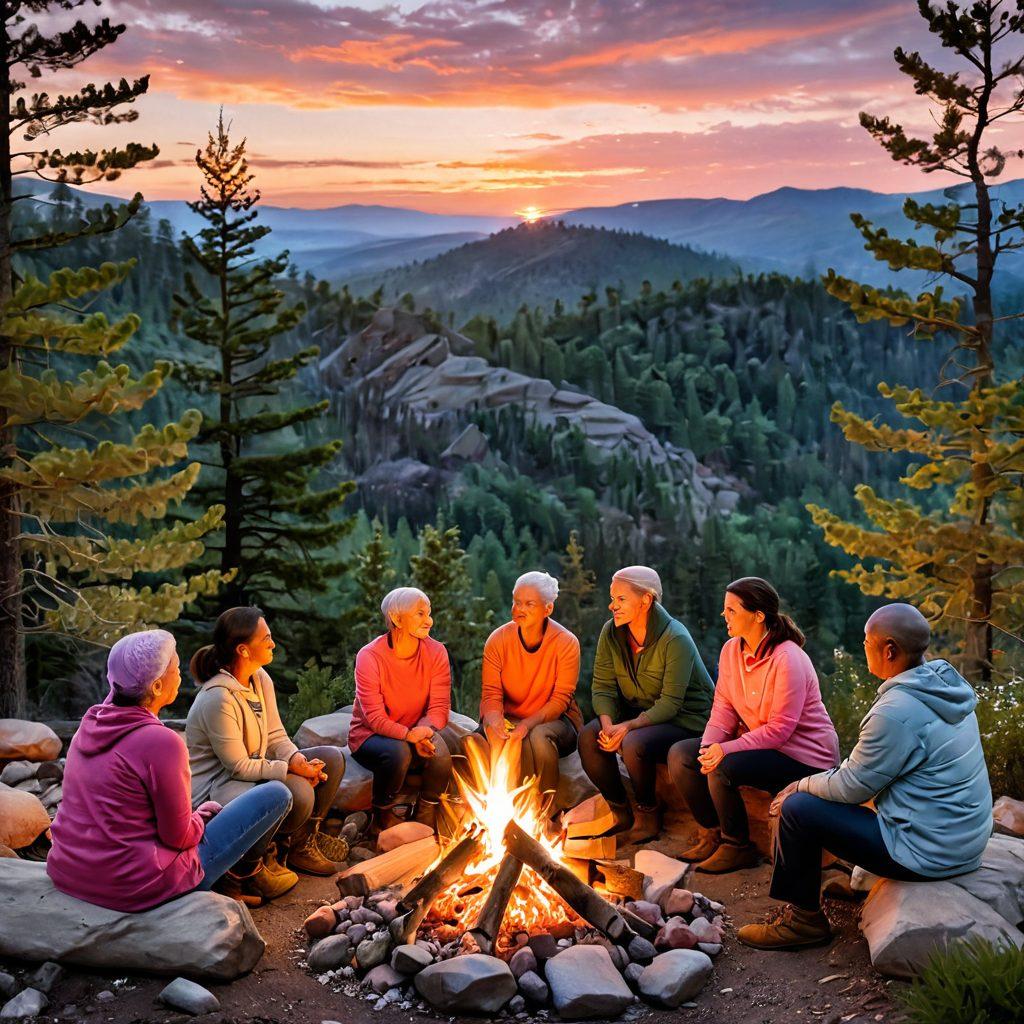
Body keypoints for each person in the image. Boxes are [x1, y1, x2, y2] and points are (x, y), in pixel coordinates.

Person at [738, 603, 993, 951]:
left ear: (889, 650)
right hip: (964, 842)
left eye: (866, 641)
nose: (863, 646)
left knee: (798, 808)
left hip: (928, 852)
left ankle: (803, 922)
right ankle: (848, 879)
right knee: (828, 794)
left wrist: (799, 784)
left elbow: (851, 786)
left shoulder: (896, 711)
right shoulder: (945, 687)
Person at [48, 630, 294, 912]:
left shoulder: (89, 725)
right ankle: (244, 875)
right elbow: (177, 838)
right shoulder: (163, 743)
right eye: (176, 669)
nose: (180, 675)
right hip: (137, 887)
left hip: (70, 873)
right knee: (276, 793)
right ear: (155, 687)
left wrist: (193, 817)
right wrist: (198, 821)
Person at [668, 578, 839, 873]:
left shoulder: (788, 658)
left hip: (804, 757)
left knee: (723, 767)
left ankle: (738, 847)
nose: (724, 616)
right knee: (682, 756)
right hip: (765, 745)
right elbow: (723, 707)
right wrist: (710, 745)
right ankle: (714, 832)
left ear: (758, 615)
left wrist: (725, 749)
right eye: (725, 610)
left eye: (732, 610)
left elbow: (780, 730)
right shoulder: (731, 650)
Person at [187, 607, 347, 891]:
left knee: (332, 760)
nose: (273, 644)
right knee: (295, 790)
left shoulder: (260, 678)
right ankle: (246, 871)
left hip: (249, 772)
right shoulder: (219, 698)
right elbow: (237, 766)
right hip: (218, 787)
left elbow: (275, 734)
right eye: (266, 639)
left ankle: (298, 847)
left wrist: (297, 758)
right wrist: (287, 770)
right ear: (243, 650)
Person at [578, 566, 715, 843]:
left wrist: (627, 727)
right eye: (612, 598)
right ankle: (620, 811)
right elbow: (603, 686)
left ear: (646, 600)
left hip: (685, 718)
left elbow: (670, 704)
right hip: (641, 711)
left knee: (634, 743)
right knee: (589, 738)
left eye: (620, 599)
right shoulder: (611, 632)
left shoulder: (675, 638)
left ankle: (648, 812)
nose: (612, 605)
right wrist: (608, 726)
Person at [466, 571, 582, 808]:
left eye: (529, 604)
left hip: (555, 720)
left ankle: (542, 809)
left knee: (537, 738)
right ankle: (495, 807)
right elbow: (491, 693)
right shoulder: (498, 639)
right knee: (486, 738)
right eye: (516, 602)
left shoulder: (566, 643)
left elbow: (560, 700)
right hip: (508, 716)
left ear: (547, 609)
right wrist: (495, 720)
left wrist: (526, 725)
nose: (519, 609)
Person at [349, 587, 456, 832]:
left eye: (429, 613)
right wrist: (408, 736)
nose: (429, 620)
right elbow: (374, 718)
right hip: (371, 736)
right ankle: (381, 818)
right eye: (420, 614)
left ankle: (425, 814)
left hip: (417, 730)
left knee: (440, 755)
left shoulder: (436, 651)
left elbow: (439, 707)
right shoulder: (370, 656)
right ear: (397, 619)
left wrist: (425, 730)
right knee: (399, 753)